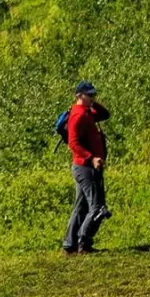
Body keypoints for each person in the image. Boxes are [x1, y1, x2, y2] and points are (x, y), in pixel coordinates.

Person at [61, 81, 111, 253]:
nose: (92, 98)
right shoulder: (78, 115)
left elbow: (105, 114)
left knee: (81, 207)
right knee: (97, 206)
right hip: (85, 167)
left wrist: (92, 103)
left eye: (93, 95)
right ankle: (84, 241)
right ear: (78, 96)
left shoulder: (87, 112)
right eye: (89, 95)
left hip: (85, 166)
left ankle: (69, 244)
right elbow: (73, 143)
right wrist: (92, 158)